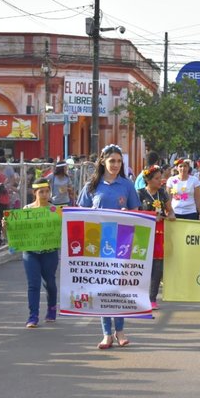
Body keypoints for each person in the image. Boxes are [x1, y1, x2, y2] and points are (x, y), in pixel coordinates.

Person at [77, 144, 141, 349]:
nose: (115, 165)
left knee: (118, 289)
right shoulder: (92, 186)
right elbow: (80, 213)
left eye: (119, 161)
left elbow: (136, 211)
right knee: (103, 289)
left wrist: (127, 212)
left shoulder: (127, 185)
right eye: (112, 160)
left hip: (122, 242)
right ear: (103, 161)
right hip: (97, 244)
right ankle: (106, 334)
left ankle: (120, 331)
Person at [8, 178, 59, 328]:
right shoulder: (26, 210)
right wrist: (6, 226)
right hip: (31, 253)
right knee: (33, 284)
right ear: (34, 193)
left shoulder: (55, 211)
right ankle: (33, 316)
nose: (44, 194)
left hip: (49, 252)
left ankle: (51, 308)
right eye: (41, 192)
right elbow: (16, 232)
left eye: (47, 191)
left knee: (49, 282)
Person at [137, 165, 175, 311]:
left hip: (159, 234)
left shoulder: (163, 193)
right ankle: (139, 296)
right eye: (157, 178)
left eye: (161, 178)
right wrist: (153, 217)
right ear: (148, 180)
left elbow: (170, 211)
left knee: (157, 266)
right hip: (143, 233)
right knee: (142, 264)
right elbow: (135, 212)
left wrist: (171, 216)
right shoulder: (139, 193)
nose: (160, 181)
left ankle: (152, 298)